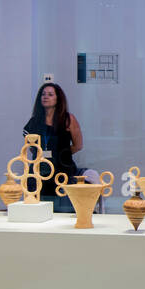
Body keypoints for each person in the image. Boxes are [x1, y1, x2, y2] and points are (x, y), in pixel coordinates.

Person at [23, 82, 83, 213]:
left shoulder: (68, 119)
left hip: (62, 170)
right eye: (43, 94)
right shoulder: (34, 121)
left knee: (63, 210)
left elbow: (78, 146)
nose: (46, 97)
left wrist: (61, 153)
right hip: (39, 172)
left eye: (50, 94)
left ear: (58, 99)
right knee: (37, 210)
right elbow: (31, 147)